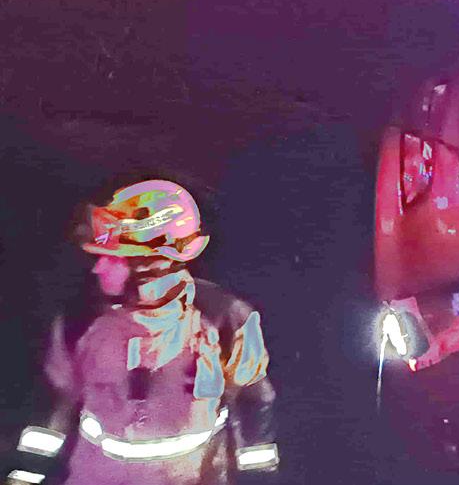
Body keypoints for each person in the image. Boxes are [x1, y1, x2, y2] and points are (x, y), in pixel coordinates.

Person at [7, 180, 278, 485]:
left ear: (154, 262)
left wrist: (259, 480)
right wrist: (24, 477)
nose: (98, 268)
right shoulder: (81, 318)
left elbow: (253, 402)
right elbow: (54, 405)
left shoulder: (224, 317)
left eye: (114, 257)